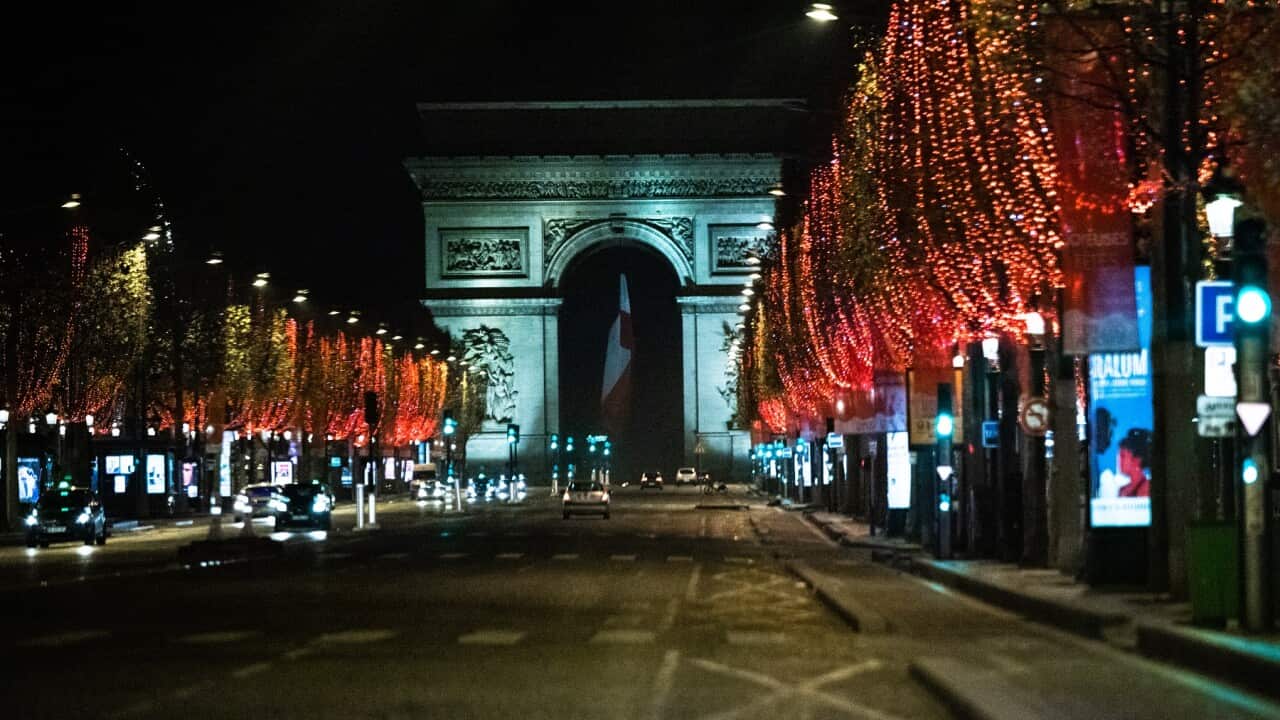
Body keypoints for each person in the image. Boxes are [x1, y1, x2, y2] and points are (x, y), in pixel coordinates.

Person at [1116, 428, 1151, 498]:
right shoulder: (1123, 490)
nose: (1119, 460)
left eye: (1122, 456)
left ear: (1137, 459)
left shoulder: (1147, 489)